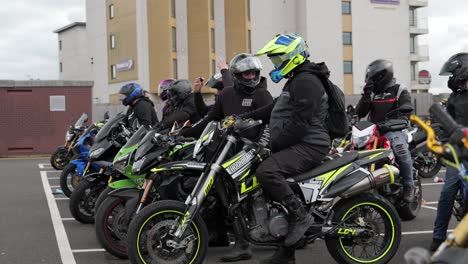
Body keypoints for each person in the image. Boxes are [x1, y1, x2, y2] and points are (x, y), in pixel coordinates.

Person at [239, 34, 331, 264]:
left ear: (293, 55)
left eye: (278, 59)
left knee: (267, 171)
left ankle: (301, 217)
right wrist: (241, 118)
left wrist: (272, 146)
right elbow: (273, 108)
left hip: (311, 145)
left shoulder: (306, 81)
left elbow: (300, 124)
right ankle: (286, 252)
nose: (276, 64)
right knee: (263, 180)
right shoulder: (297, 79)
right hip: (301, 143)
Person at [180, 53, 273, 262]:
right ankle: (233, 238)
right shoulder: (226, 95)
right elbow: (209, 119)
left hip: (255, 149)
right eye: (246, 73)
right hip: (228, 150)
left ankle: (244, 243)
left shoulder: (262, 95)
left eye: (254, 73)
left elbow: (271, 122)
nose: (251, 77)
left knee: (237, 194)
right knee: (225, 194)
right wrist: (183, 134)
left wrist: (261, 146)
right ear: (237, 75)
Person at [355, 59, 415, 202]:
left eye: (373, 79)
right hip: (373, 132)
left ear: (382, 76)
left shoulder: (400, 90)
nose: (371, 81)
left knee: (400, 150)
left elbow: (406, 111)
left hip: (394, 130)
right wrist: (366, 93)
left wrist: (393, 123)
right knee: (352, 150)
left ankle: (409, 186)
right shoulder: (372, 93)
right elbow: (360, 112)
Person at [430, 52, 468, 251]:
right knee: (447, 192)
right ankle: (438, 238)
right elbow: (446, 124)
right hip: (458, 152)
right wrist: (443, 141)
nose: (451, 79)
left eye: (454, 74)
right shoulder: (454, 98)